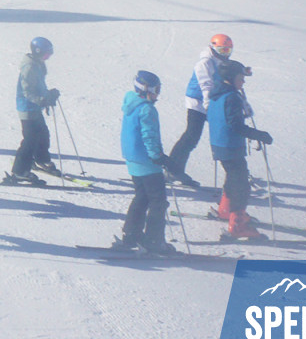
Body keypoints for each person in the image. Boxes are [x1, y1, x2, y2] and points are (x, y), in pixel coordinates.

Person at [110, 71, 176, 255]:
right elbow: (149, 135)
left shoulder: (131, 103)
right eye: (156, 90)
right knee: (158, 202)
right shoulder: (147, 109)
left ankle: (131, 235)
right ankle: (154, 241)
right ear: (146, 89)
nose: (158, 94)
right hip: (148, 162)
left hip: (134, 160)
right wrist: (158, 156)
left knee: (141, 197)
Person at [165, 34, 240, 187]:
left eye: (228, 50)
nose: (225, 54)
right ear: (213, 48)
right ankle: (172, 169)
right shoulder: (205, 63)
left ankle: (237, 170)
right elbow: (206, 86)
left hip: (213, 102)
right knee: (191, 135)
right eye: (222, 50)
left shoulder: (222, 62)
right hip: (197, 101)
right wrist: (210, 107)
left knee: (224, 134)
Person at [208, 59, 271, 240]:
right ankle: (238, 225)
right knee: (241, 185)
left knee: (233, 177)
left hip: (220, 144)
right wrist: (259, 135)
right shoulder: (232, 97)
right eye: (240, 77)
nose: (243, 81)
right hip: (230, 145)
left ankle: (226, 210)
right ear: (230, 78)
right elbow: (235, 125)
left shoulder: (217, 93)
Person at [4, 37, 59, 186]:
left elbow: (38, 86)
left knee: (43, 134)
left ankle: (41, 160)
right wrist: (41, 100)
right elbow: (27, 91)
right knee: (30, 140)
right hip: (27, 108)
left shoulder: (38, 64)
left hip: (34, 107)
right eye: (47, 53)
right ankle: (20, 171)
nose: (48, 56)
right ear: (38, 51)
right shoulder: (30, 67)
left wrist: (48, 95)